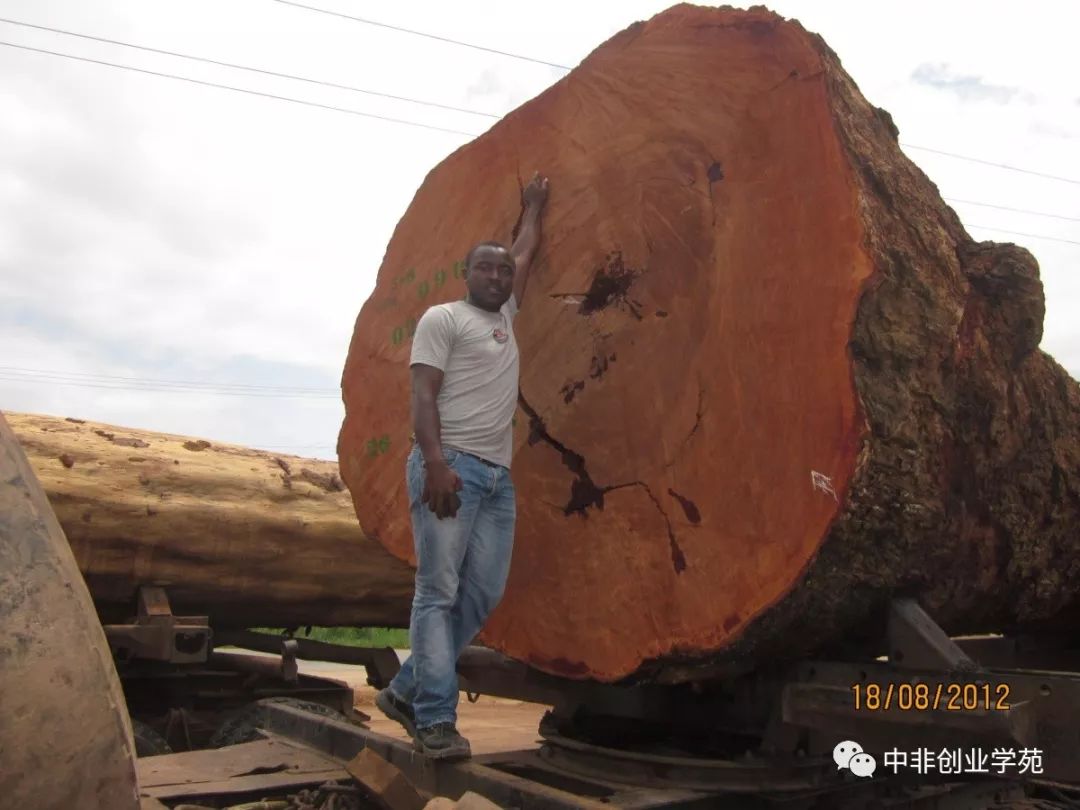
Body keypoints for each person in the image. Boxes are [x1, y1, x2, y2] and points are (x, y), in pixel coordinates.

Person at [375, 172, 550, 759]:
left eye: (503, 271)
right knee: (438, 591)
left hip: (498, 479)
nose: (499, 276)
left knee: (483, 592)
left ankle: (405, 688)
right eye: (487, 269)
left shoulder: (506, 317)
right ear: (466, 274)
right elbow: (422, 395)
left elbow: (526, 250)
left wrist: (533, 206)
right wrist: (434, 463)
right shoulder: (442, 320)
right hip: (452, 469)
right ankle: (434, 719)